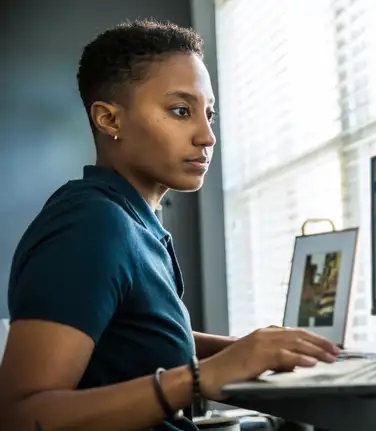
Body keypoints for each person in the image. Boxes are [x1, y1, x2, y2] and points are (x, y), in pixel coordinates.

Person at [0, 19, 340, 431]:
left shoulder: (131, 222)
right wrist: (197, 380)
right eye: (181, 111)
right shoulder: (91, 225)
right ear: (109, 120)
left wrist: (246, 350)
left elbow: (132, 337)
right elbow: (19, 416)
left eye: (208, 114)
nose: (207, 136)